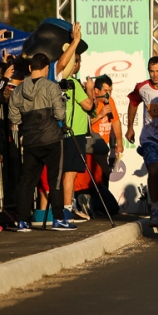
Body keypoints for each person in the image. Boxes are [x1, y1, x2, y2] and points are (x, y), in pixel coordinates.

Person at [8, 53, 76, 231]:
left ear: (30, 68)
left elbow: (13, 116)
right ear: (46, 68)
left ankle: (22, 221)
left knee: (27, 181)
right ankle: (58, 218)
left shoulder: (18, 90)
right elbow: (60, 115)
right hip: (51, 138)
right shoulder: (51, 87)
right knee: (55, 180)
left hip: (30, 140)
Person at [126, 57, 158, 233]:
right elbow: (133, 103)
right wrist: (130, 127)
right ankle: (155, 209)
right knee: (154, 169)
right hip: (150, 139)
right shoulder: (142, 87)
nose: (155, 75)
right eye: (152, 71)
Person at [61, 53, 95, 222]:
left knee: (70, 172)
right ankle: (67, 209)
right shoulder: (73, 83)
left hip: (70, 132)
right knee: (70, 173)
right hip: (74, 133)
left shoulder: (63, 83)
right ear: (75, 64)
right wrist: (89, 89)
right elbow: (89, 105)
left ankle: (69, 206)